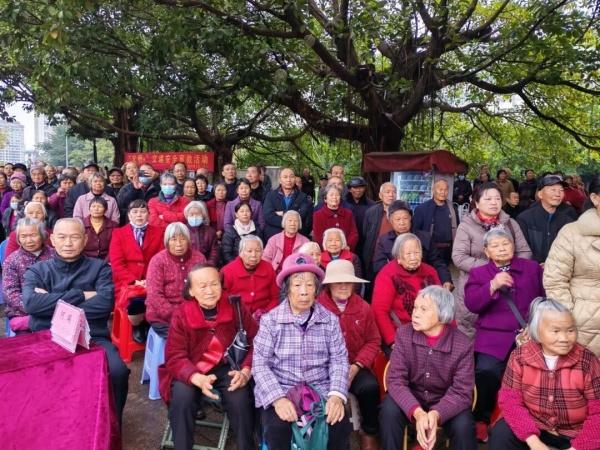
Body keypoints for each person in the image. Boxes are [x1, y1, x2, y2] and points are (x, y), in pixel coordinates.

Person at [22, 218, 129, 423]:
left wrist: (49, 301)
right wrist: (81, 294)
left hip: (91, 336)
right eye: (62, 237)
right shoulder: (38, 271)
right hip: (47, 335)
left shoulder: (100, 268)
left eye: (75, 237)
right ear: (52, 239)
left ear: (85, 239)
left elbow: (104, 304)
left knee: (118, 372)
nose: (68, 243)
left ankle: (112, 427)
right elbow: (31, 304)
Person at [253, 253, 352, 450]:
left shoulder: (329, 320)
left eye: (309, 285)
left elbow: (339, 360)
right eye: (297, 285)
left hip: (321, 389)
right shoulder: (271, 321)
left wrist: (335, 395)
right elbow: (260, 364)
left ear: (317, 289)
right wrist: (278, 399)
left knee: (339, 424)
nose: (304, 292)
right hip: (283, 388)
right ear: (287, 289)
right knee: (278, 427)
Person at [159, 264, 257, 450]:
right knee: (182, 398)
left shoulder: (235, 306)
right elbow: (174, 356)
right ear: (191, 291)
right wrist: (195, 377)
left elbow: (256, 341)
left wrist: (246, 370)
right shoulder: (182, 314)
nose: (210, 291)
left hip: (228, 366)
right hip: (192, 368)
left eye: (214, 284)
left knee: (240, 398)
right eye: (202, 286)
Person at [464, 229, 544, 442]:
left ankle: (534, 421)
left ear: (513, 246)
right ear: (486, 251)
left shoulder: (531, 268)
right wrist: (492, 285)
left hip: (529, 334)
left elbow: (544, 299)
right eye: (495, 245)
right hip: (493, 338)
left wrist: (534, 326)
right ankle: (481, 418)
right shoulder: (479, 274)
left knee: (537, 373)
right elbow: (472, 304)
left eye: (505, 244)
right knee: (486, 371)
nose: (501, 248)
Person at [489, 297, 600, 450]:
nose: (564, 338)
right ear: (537, 333)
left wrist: (578, 447)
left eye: (570, 330)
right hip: (535, 427)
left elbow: (598, 412)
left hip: (576, 433)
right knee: (501, 434)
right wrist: (534, 442)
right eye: (556, 331)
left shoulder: (587, 361)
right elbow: (510, 402)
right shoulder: (520, 357)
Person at [380, 286, 477, 450]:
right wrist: (417, 412)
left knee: (464, 425)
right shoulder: (404, 334)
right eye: (415, 307)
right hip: (412, 396)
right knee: (388, 411)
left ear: (442, 314)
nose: (415, 314)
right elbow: (396, 380)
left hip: (446, 400)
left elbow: (461, 392)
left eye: (423, 309)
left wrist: (436, 413)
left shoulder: (462, 345)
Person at [452, 182, 532, 338]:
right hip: (476, 285)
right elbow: (459, 257)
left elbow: (524, 251)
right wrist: (492, 268)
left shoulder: (510, 223)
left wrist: (510, 268)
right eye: (488, 199)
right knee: (472, 333)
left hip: (509, 285)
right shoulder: (466, 226)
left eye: (497, 198)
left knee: (505, 332)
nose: (494, 202)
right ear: (477, 203)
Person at [318, 259, 381, 449]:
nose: (343, 286)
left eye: (348, 282)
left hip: (355, 364)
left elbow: (373, 340)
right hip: (324, 368)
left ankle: (369, 432)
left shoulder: (363, 307)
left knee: (370, 387)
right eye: (338, 282)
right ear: (329, 285)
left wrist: (356, 366)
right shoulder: (318, 307)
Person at [543, 174, 600, 356]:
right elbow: (555, 280)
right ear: (595, 198)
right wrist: (570, 317)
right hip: (584, 326)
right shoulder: (571, 233)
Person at [372, 233, 441, 349]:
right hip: (402, 335)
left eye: (417, 253)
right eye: (408, 254)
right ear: (398, 257)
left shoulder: (430, 271)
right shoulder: (387, 274)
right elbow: (379, 310)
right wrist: (392, 340)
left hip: (431, 332)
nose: (413, 257)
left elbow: (443, 305)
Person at [108, 199, 164, 341]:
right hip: (126, 281)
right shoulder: (118, 233)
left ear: (148, 214)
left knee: (159, 295)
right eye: (135, 212)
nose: (139, 215)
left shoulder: (159, 232)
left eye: (143, 211)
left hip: (152, 277)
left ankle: (152, 323)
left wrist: (150, 279)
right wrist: (134, 281)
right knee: (135, 299)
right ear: (129, 215)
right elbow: (117, 263)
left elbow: (160, 259)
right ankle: (137, 324)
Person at [372, 200, 453, 288]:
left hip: (424, 284)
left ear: (410, 218)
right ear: (391, 221)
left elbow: (437, 262)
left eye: (405, 218)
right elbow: (379, 267)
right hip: (397, 285)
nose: (402, 223)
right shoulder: (384, 241)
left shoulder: (425, 238)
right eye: (398, 219)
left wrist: (446, 280)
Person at [145, 222, 206, 337]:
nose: (178, 244)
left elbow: (204, 287)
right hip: (164, 318)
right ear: (167, 242)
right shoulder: (158, 261)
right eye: (173, 239)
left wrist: (197, 312)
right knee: (182, 339)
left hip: (195, 314)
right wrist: (178, 316)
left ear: (188, 240)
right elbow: (154, 296)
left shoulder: (199, 258)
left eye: (182, 239)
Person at [3, 218, 54, 333]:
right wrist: (35, 306)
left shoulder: (55, 256)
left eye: (33, 235)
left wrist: (50, 304)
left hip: (53, 310)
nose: (29, 240)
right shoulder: (12, 260)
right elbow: (10, 293)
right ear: (18, 239)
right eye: (24, 236)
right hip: (23, 314)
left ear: (42, 235)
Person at [516, 175, 573, 264]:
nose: (558, 194)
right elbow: (522, 251)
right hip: (533, 269)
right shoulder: (524, 219)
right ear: (540, 194)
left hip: (558, 268)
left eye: (561, 190)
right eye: (553, 190)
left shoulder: (567, 220)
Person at [221, 235, 279, 318]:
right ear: (241, 253)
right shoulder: (227, 271)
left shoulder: (268, 268)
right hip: (237, 316)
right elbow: (223, 301)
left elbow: (275, 297)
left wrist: (266, 312)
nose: (254, 255)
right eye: (249, 251)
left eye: (258, 251)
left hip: (264, 316)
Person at [412, 179, 458, 265]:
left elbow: (457, 228)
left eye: (446, 190)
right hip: (428, 251)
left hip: (447, 251)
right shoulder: (422, 209)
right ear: (433, 190)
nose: (443, 192)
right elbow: (415, 231)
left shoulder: (452, 209)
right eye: (440, 189)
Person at [262, 168, 313, 240]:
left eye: (291, 177)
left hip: (296, 235)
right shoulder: (271, 195)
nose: (288, 180)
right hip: (274, 235)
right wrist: (289, 221)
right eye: (285, 177)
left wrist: (282, 213)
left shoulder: (303, 197)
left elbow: (301, 215)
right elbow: (268, 216)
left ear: (294, 179)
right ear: (280, 180)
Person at [361, 182, 398, 282]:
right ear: (380, 195)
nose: (391, 195)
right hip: (373, 257)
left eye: (394, 192)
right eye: (387, 192)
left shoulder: (401, 212)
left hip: (395, 257)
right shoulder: (371, 212)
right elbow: (365, 234)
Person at [313, 185, 359, 252]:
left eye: (337, 195)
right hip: (326, 252)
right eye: (331, 195)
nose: (334, 197)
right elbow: (318, 236)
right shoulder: (318, 215)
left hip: (345, 250)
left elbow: (353, 234)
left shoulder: (348, 214)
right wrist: (328, 249)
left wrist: (348, 247)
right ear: (325, 199)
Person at [184, 200, 219, 266]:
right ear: (187, 216)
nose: (194, 217)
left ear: (203, 215)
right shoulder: (183, 231)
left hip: (206, 265)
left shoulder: (210, 231)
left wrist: (208, 265)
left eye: (197, 214)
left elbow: (214, 251)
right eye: (191, 214)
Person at [345, 176, 375, 244]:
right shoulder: (343, 204)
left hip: (365, 241)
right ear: (349, 189)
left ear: (364, 189)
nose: (358, 190)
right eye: (355, 187)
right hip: (347, 240)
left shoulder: (372, 205)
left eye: (361, 187)